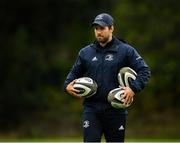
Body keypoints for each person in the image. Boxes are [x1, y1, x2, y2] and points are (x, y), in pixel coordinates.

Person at [64, 13, 150, 142]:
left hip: (116, 110)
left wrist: (133, 88)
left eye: (102, 28)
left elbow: (144, 70)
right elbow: (73, 74)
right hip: (92, 110)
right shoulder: (85, 52)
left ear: (111, 28)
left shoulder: (126, 50)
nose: (99, 32)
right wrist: (67, 86)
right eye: (96, 29)